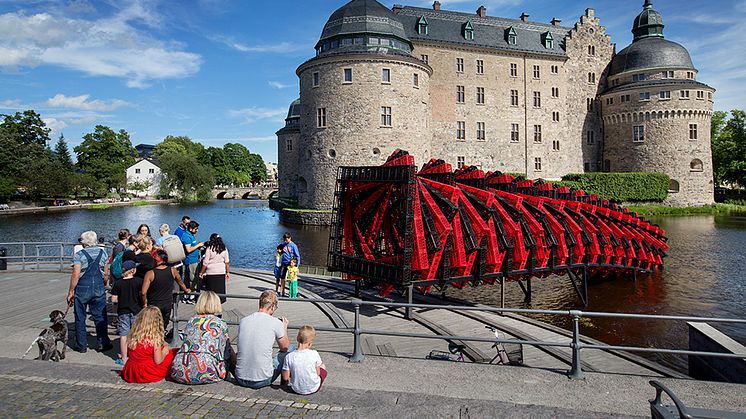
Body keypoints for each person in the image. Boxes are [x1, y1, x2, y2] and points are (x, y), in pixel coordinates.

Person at [170, 291, 235, 384]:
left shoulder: (191, 321)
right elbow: (226, 350)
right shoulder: (219, 323)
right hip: (207, 371)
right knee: (228, 350)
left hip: (181, 370)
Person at [66, 231, 112, 353]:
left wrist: (71, 291)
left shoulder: (79, 255)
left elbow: (76, 275)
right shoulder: (103, 253)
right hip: (98, 286)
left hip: (82, 288)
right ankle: (103, 342)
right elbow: (106, 273)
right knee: (100, 315)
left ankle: (81, 345)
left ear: (84, 242)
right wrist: (104, 283)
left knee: (80, 316)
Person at [234, 290, 290, 389]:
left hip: (240, 377)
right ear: (272, 307)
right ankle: (284, 386)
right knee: (291, 349)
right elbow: (285, 347)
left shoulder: (244, 321)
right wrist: (284, 328)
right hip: (262, 379)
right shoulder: (275, 322)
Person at [120, 307, 177, 383]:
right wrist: (164, 351)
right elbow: (158, 361)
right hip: (147, 372)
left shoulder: (134, 334)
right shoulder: (155, 338)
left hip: (132, 371)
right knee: (174, 353)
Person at [141, 250, 190, 333]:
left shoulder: (150, 273)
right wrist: (186, 290)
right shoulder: (172, 270)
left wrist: (144, 303)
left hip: (154, 303)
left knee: (152, 326)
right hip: (167, 303)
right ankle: (161, 339)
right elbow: (180, 281)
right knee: (163, 325)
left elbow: (143, 292)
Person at [111, 260, 142, 365]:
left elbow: (114, 300)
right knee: (136, 334)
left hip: (123, 311)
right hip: (136, 310)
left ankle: (124, 358)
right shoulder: (138, 281)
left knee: (123, 334)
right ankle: (135, 357)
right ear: (133, 270)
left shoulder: (118, 283)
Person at [282, 326, 327, 395]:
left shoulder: (289, 356)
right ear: (310, 343)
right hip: (313, 388)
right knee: (323, 366)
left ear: (297, 339)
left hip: (296, 389)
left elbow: (285, 377)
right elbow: (317, 373)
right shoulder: (314, 353)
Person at [199, 234, 230, 303]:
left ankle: (211, 305)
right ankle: (220, 304)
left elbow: (205, 263)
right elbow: (227, 262)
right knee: (220, 290)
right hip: (221, 271)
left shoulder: (209, 249)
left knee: (211, 291)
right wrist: (227, 272)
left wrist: (201, 272)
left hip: (211, 272)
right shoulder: (224, 248)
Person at [180, 221, 204, 303]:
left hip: (194, 259)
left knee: (191, 278)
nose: (197, 231)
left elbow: (192, 246)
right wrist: (198, 245)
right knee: (192, 279)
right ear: (190, 228)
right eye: (196, 229)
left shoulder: (191, 235)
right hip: (190, 261)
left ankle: (188, 296)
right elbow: (188, 249)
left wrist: (198, 248)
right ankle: (190, 297)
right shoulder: (186, 236)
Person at [279, 233, 301, 298]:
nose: (285, 241)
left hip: (290, 264)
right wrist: (279, 252)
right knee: (282, 278)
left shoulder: (293, 246)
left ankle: (295, 292)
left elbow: (297, 256)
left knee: (292, 278)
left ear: (290, 238)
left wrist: (297, 266)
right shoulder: (283, 244)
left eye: (287, 239)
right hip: (283, 263)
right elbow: (279, 249)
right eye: (284, 239)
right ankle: (282, 292)